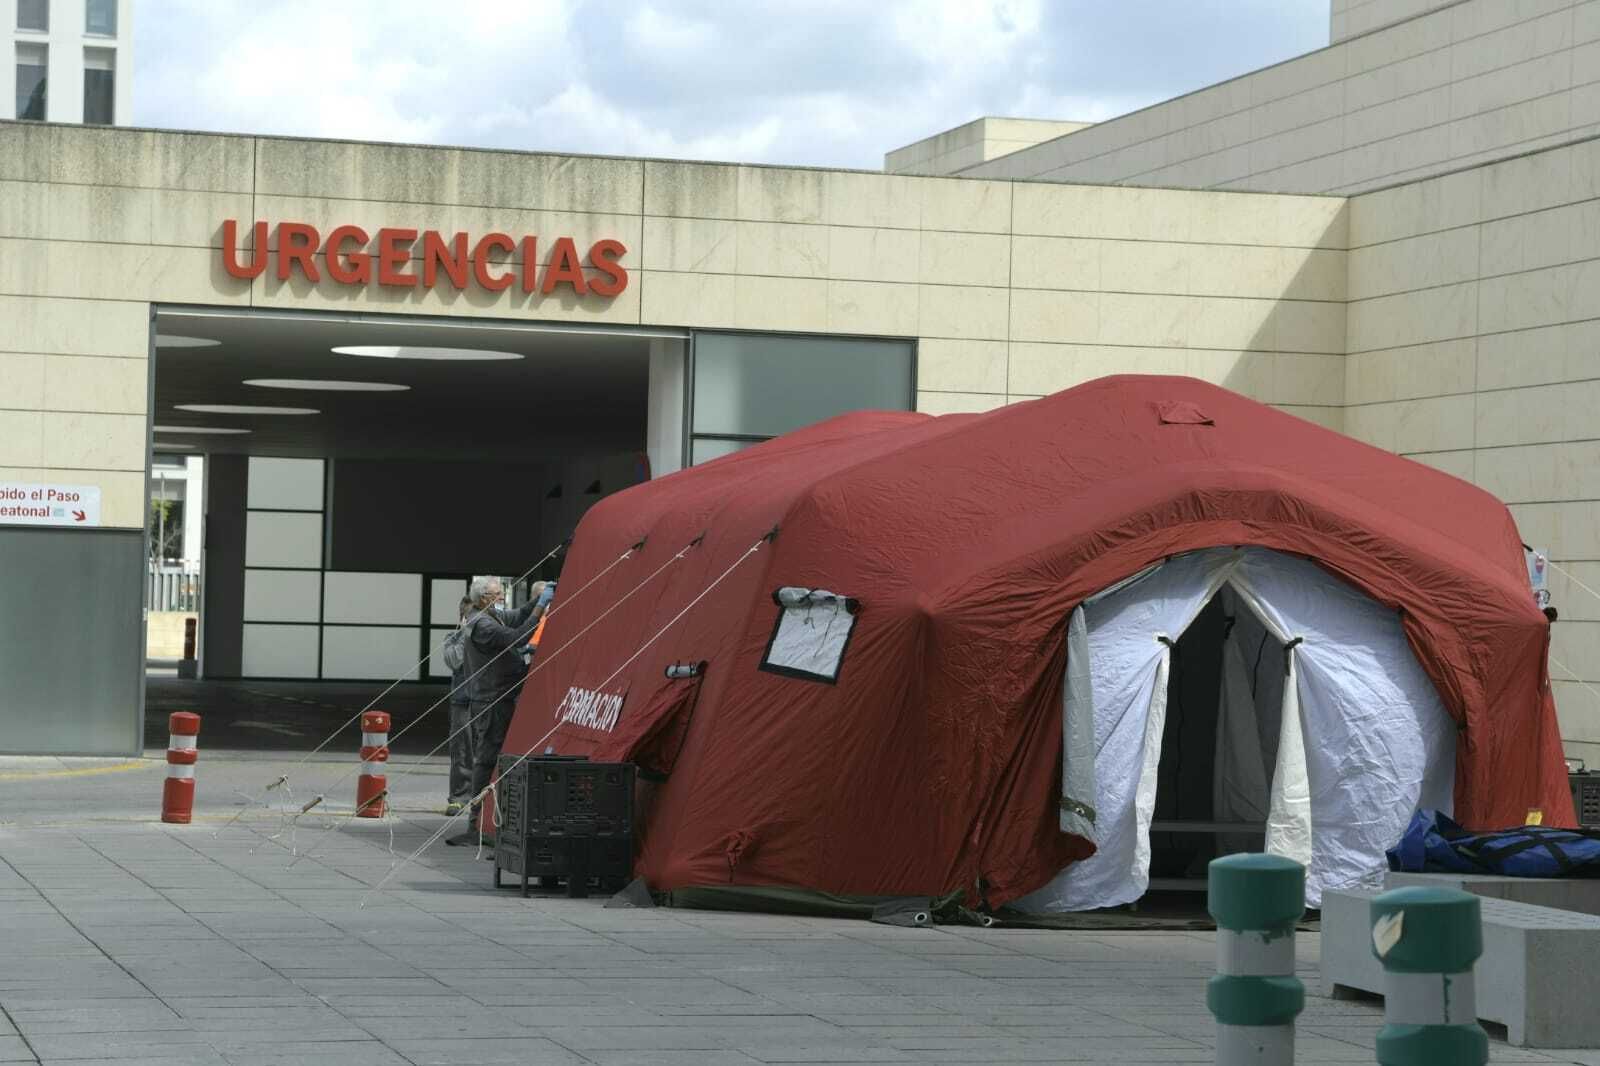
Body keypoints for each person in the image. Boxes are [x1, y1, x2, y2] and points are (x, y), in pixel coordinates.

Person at [445, 575, 548, 848]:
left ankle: (486, 822)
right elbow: (518, 636)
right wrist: (541, 607)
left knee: (494, 757)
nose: (501, 597)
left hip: (500, 695)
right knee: (487, 759)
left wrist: (539, 599)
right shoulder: (483, 625)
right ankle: (475, 824)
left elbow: (518, 615)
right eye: (496, 594)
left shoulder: (492, 615)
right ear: (483, 599)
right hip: (492, 699)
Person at [442, 595, 475, 815]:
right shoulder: (453, 638)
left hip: (488, 698)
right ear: (462, 617)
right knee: (462, 750)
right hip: (462, 701)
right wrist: (465, 633)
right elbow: (454, 660)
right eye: (471, 616)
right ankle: (459, 797)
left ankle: (482, 797)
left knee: (485, 750)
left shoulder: (490, 634)